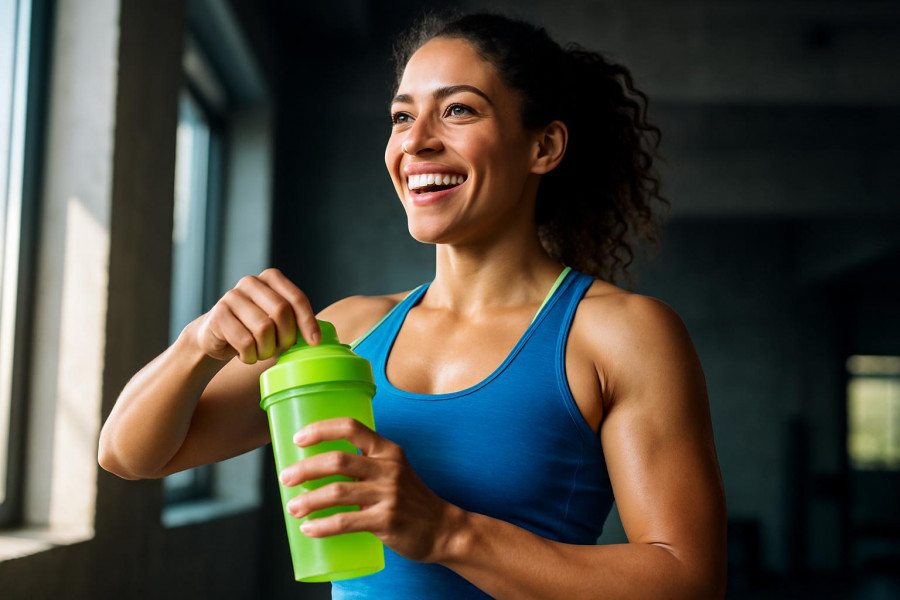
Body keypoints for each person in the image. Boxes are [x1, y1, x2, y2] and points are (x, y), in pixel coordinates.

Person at [99, 12, 727, 599]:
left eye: (458, 110)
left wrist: (447, 533)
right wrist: (198, 345)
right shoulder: (347, 330)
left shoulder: (622, 334)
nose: (417, 142)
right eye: (402, 117)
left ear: (544, 147)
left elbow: (688, 577)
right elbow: (129, 455)